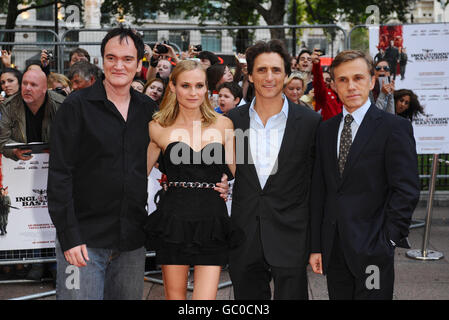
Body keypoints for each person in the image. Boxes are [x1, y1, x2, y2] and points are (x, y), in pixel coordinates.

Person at [47, 27, 230, 300]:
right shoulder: (76, 106)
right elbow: (60, 174)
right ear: (102, 61)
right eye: (111, 58)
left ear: (138, 63)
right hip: (85, 241)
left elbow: (175, 164)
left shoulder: (149, 112)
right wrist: (69, 236)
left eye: (127, 59)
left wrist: (220, 182)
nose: (119, 65)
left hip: (131, 242)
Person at [309, 50, 420, 300]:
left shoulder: (394, 128)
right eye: (343, 79)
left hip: (374, 248)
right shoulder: (326, 130)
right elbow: (320, 190)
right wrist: (316, 245)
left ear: (372, 81)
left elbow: (407, 189)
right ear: (334, 84)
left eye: (358, 78)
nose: (351, 86)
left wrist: (389, 239)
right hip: (335, 248)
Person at [227, 40, 321, 300]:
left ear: (287, 73)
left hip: (292, 235)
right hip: (244, 235)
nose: (269, 77)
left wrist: (316, 243)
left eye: (276, 70)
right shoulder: (231, 121)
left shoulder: (311, 123)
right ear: (249, 74)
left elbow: (317, 185)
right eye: (261, 70)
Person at [145, 59, 235, 300]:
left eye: (199, 85)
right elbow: (136, 174)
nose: (193, 92)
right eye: (186, 85)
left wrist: (229, 183)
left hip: (212, 219)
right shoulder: (157, 127)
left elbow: (244, 173)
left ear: (207, 88)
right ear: (173, 87)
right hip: (173, 219)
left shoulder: (226, 124)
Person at [311, 49, 342, 121]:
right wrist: (316, 64)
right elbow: (319, 83)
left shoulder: (344, 97)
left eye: (328, 79)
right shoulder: (324, 96)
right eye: (323, 79)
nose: (325, 82)